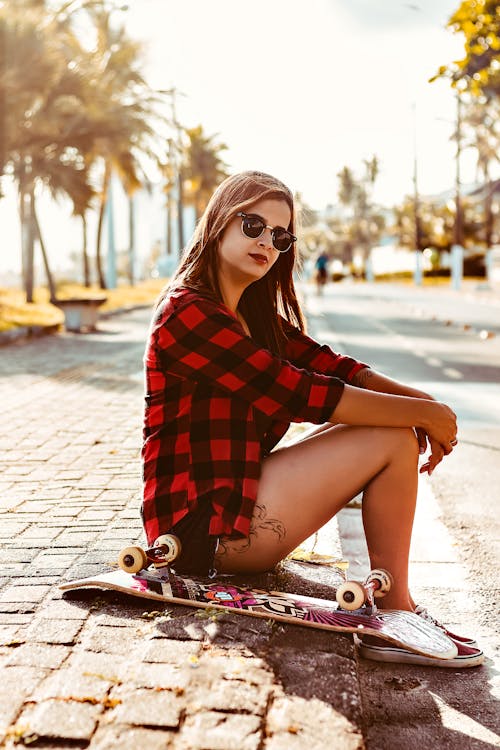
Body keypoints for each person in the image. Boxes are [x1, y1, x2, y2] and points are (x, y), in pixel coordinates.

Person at [141, 170, 483, 668]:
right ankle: (394, 611)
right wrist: (422, 415)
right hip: (201, 532)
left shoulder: (251, 315)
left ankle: (394, 603)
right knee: (390, 439)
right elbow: (302, 393)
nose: (266, 242)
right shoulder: (187, 313)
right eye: (253, 224)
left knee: (392, 428)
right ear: (218, 222)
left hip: (237, 502)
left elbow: (334, 367)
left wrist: (423, 403)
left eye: (280, 236)